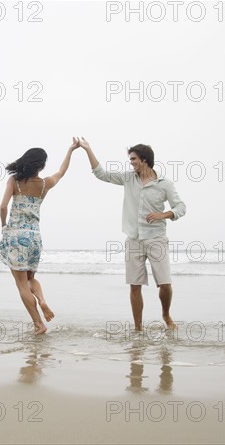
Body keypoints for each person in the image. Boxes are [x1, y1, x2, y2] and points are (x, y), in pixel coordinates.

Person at [78, 138, 186, 331]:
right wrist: (88, 149)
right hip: (133, 239)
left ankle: (166, 314)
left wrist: (163, 214)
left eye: (134, 159)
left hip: (156, 238)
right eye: (130, 159)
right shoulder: (128, 178)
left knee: (165, 284)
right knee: (134, 286)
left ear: (144, 160)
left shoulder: (164, 184)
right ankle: (138, 328)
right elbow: (101, 174)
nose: (131, 162)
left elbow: (181, 207)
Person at [0, 139, 80, 335]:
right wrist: (70, 150)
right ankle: (42, 300)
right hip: (35, 238)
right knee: (31, 278)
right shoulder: (45, 184)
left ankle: (38, 324)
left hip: (16, 237)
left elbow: (2, 206)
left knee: (21, 285)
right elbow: (62, 171)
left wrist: (3, 226)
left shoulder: (14, 181)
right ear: (41, 166)